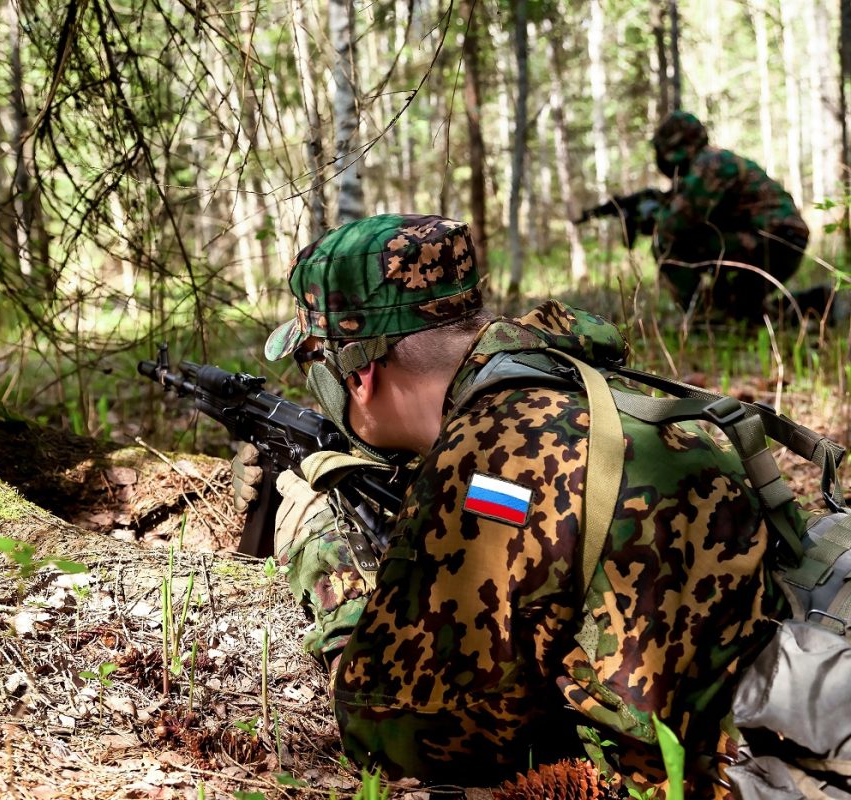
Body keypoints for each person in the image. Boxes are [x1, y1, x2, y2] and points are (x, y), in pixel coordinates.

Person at [257, 213, 786, 798]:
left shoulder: (485, 452)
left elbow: (394, 731)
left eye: (314, 365)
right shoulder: (593, 390)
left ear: (358, 374)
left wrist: (329, 567)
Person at [650, 111, 810, 320]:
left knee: (665, 243)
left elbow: (675, 224)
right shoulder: (714, 161)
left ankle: (702, 317)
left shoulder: (710, 163)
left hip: (772, 241)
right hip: (779, 240)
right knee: (740, 312)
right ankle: (817, 303)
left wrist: (650, 217)